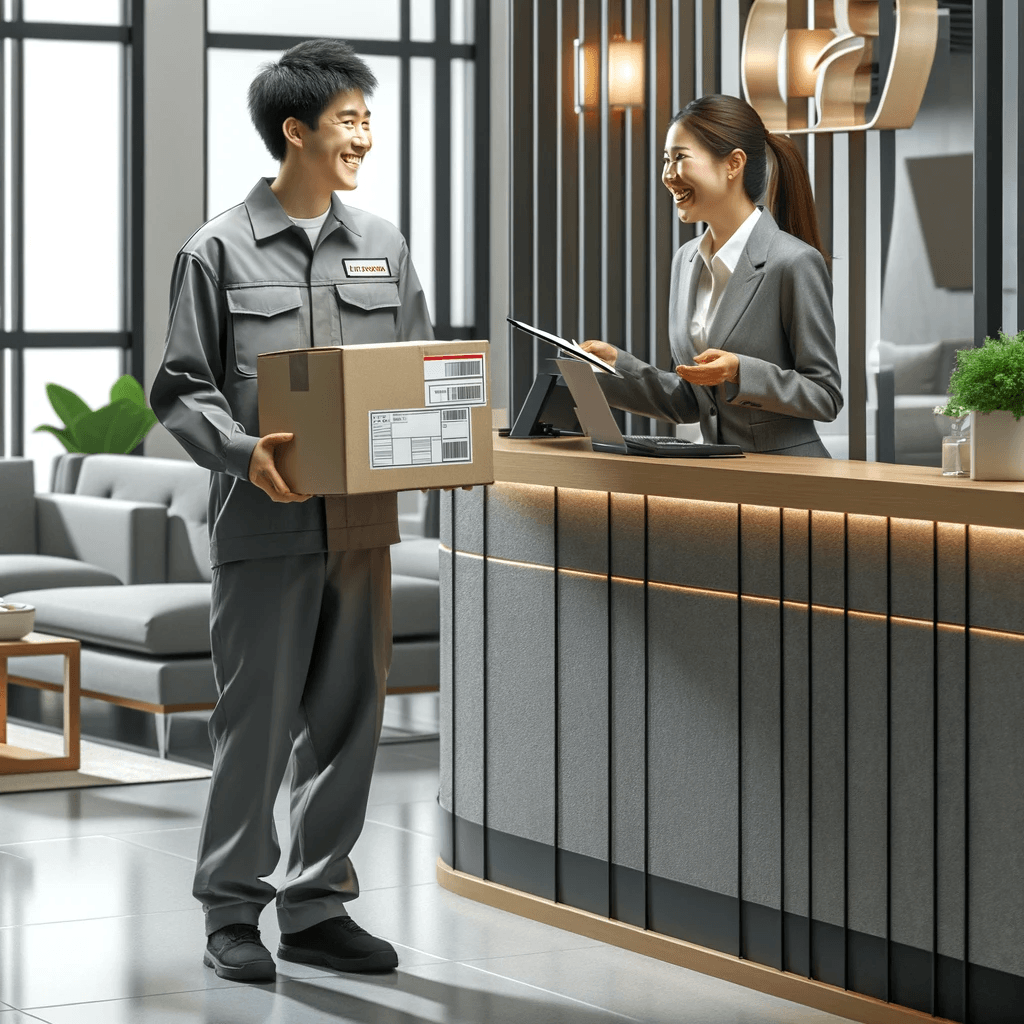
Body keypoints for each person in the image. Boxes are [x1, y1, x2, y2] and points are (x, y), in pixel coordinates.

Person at [150, 39, 433, 983]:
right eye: (349, 119)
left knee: (352, 718)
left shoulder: (385, 245)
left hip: (361, 524)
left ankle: (317, 907)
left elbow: (417, 370)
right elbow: (182, 388)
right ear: (294, 130)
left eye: (366, 118)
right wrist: (244, 454)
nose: (363, 134)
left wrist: (435, 439)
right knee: (257, 724)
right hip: (264, 521)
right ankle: (231, 911)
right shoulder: (218, 248)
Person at [584, 94, 843, 457]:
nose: (667, 175)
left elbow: (825, 396)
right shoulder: (686, 260)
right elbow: (690, 403)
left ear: (733, 163)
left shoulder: (793, 262)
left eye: (680, 158)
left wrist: (740, 371)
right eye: (665, 160)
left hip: (788, 480)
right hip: (718, 480)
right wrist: (616, 366)